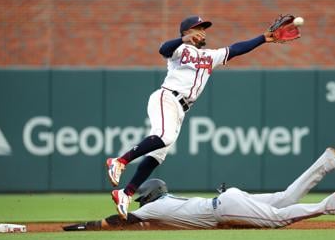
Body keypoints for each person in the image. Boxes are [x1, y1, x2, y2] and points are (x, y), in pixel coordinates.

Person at [105, 15, 278, 219]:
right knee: (165, 137)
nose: (202, 31)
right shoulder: (180, 49)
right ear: (186, 32)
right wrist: (183, 40)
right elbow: (163, 49)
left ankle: (125, 193)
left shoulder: (210, 56)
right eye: (198, 28)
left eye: (204, 28)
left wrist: (263, 38)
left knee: (158, 155)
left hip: (181, 109)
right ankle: (120, 161)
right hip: (167, 97)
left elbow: (237, 48)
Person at [66, 148, 335, 231]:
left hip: (225, 207)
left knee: (276, 219)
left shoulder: (153, 208)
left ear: (149, 196)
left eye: (143, 197)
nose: (141, 201)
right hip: (226, 201)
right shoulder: (164, 204)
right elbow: (138, 224)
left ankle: (329, 204)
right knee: (283, 199)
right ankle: (326, 162)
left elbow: (121, 220)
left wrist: (85, 226)